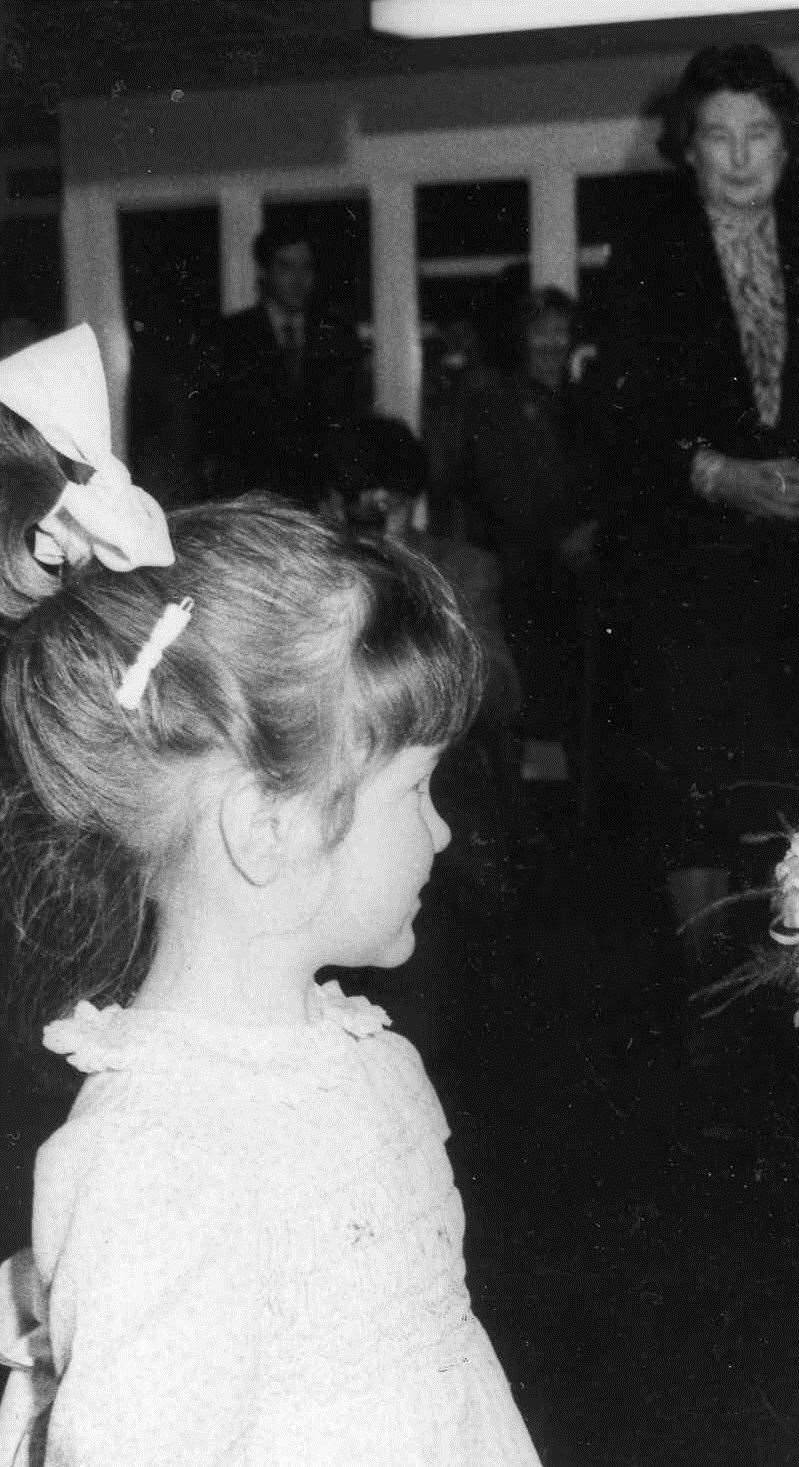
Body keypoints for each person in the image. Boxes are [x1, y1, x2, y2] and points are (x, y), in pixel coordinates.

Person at [0, 324, 540, 1464]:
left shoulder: (362, 1056)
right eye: (418, 788)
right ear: (268, 827)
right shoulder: (159, 1159)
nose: (445, 829)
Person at [603, 42, 799, 971]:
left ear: (788, 141)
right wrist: (714, 473)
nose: (737, 155)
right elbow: (618, 413)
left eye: (758, 132)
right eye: (716, 134)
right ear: (686, 147)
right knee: (698, 790)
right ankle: (709, 998)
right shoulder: (647, 249)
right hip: (691, 572)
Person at [449, 284, 593, 767]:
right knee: (530, 707)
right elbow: (500, 494)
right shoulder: (497, 404)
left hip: (581, 574)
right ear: (522, 338)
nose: (553, 343)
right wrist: (560, 539)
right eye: (541, 332)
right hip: (526, 576)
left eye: (562, 332)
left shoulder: (579, 401)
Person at [202, 219, 365, 506]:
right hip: (251, 497)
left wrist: (346, 489)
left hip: (320, 497)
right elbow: (218, 428)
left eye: (306, 267)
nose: (298, 279)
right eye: (286, 267)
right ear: (265, 272)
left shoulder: (337, 334)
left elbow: (348, 419)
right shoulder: (230, 336)